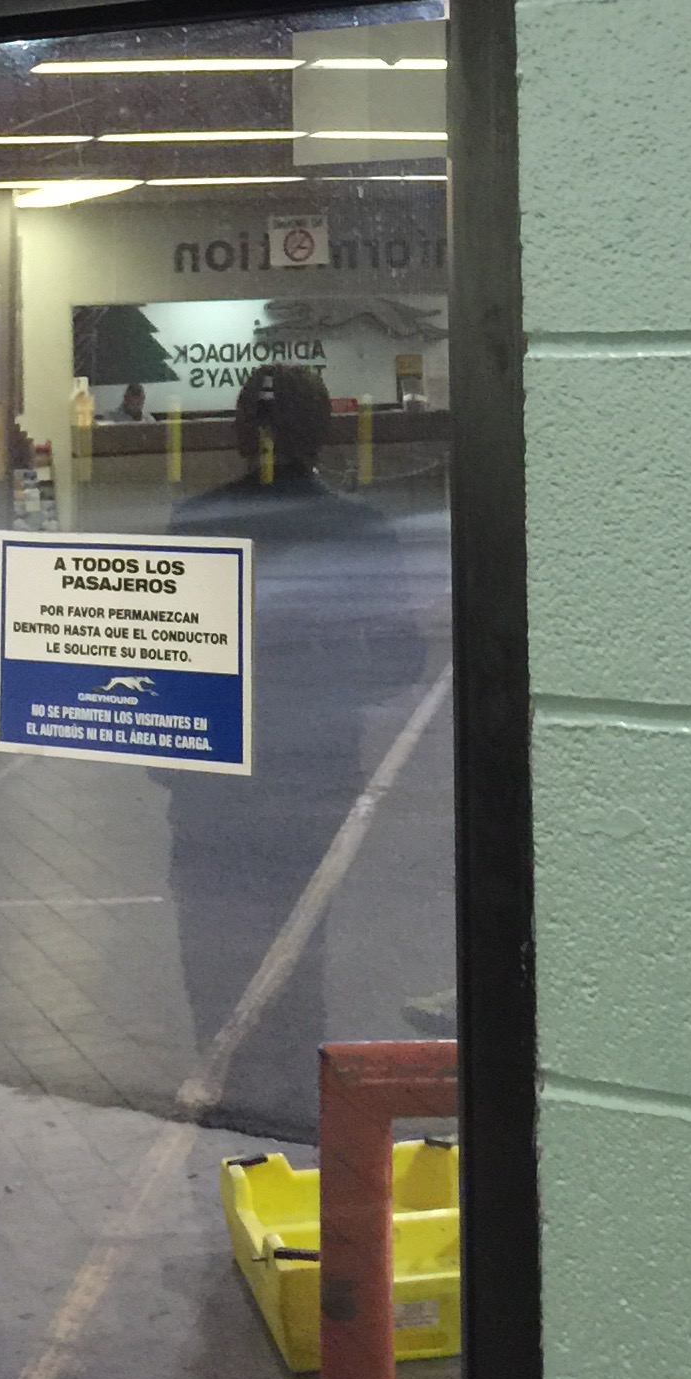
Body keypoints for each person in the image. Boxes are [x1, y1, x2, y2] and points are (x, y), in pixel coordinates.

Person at [156, 365, 440, 1138]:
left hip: (212, 782)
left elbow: (164, 660)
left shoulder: (195, 522)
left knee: (211, 945)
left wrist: (171, 758)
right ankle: (287, 1107)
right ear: (323, 436)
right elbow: (400, 659)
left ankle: (226, 1092)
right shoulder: (361, 529)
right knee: (297, 947)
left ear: (238, 434)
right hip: (312, 774)